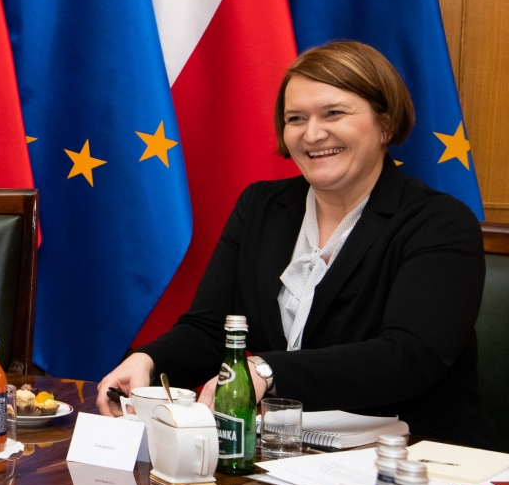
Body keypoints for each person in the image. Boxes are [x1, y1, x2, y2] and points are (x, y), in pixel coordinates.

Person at [97, 40, 497, 447]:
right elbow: (212, 329)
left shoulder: (438, 222)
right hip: (284, 451)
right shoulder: (261, 207)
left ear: (386, 124)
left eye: (334, 113)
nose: (312, 134)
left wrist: (266, 372)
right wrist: (148, 361)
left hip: (418, 454)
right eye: (295, 118)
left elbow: (409, 357)